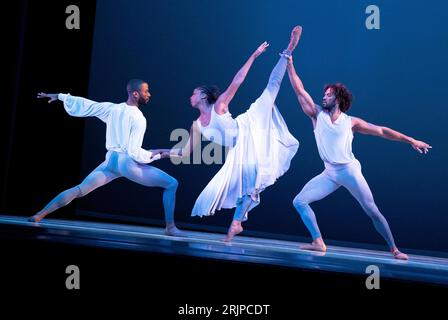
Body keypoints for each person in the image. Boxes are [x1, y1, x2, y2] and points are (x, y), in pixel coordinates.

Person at [286, 44, 431, 259]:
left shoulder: (351, 122)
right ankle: (318, 242)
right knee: (299, 201)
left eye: (328, 95)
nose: (323, 97)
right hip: (329, 172)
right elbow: (299, 90)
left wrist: (411, 140)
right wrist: (289, 63)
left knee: (371, 210)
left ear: (338, 99)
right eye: (324, 94)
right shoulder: (317, 115)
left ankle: (394, 249)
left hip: (349, 170)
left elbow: (382, 131)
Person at [163, 26, 302, 241]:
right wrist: (158, 153)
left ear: (202, 95)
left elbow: (237, 80)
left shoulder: (219, 105)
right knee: (247, 184)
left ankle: (288, 51)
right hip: (240, 149)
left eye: (193, 93)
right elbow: (183, 153)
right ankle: (236, 224)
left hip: (248, 125)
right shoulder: (197, 125)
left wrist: (254, 56)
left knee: (271, 88)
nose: (190, 96)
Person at [28, 79, 183, 236]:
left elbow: (86, 104)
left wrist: (60, 96)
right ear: (135, 94)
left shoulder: (112, 109)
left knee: (80, 190)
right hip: (126, 163)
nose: (149, 94)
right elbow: (134, 152)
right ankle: (170, 227)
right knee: (171, 184)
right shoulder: (139, 118)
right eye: (146, 91)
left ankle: (39, 214)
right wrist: (160, 155)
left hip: (110, 161)